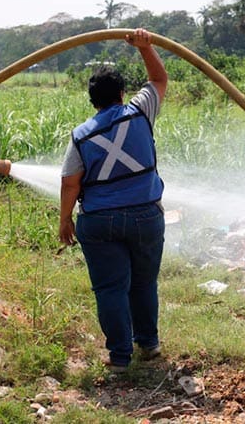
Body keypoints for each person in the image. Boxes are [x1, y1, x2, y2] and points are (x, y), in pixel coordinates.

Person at [59, 28, 168, 373]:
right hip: (146, 217)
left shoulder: (81, 135)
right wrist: (145, 47)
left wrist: (65, 220)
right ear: (123, 93)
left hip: (99, 221)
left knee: (110, 288)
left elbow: (70, 183)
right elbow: (159, 78)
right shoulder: (139, 111)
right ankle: (148, 344)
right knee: (143, 282)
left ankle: (120, 358)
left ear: (92, 100)